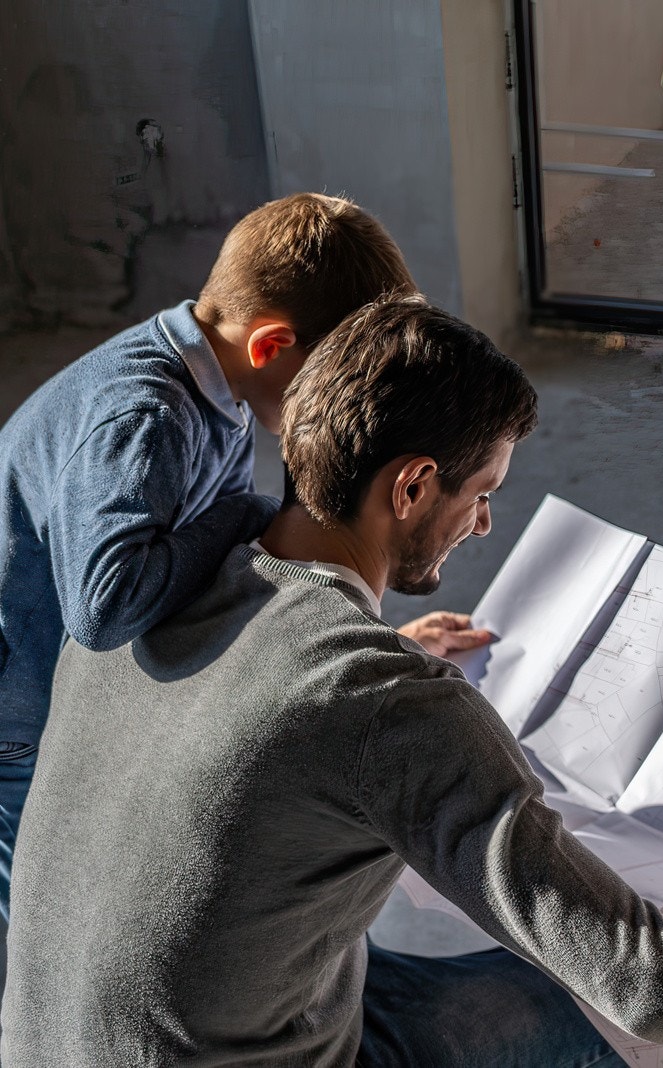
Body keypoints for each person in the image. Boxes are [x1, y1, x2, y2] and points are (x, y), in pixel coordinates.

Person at [2, 296, 663, 1067]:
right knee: (582, 1018)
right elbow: (645, 973)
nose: (480, 523)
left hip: (49, 1036)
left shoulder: (151, 586)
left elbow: (273, 694)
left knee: (434, 962)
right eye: (482, 493)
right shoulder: (384, 704)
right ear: (411, 487)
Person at [0, 193, 488, 920]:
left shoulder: (220, 389)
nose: (351, 413)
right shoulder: (148, 416)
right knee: (60, 916)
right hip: (23, 729)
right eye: (335, 386)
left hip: (68, 696)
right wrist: (253, 509)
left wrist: (373, 648)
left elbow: (223, 576)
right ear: (270, 347)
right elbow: (107, 608)